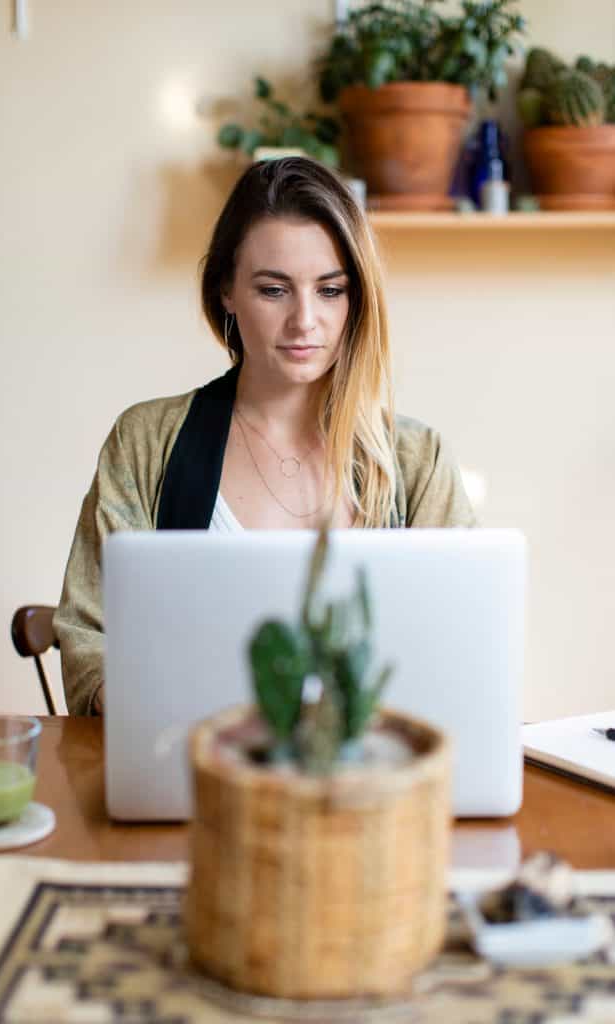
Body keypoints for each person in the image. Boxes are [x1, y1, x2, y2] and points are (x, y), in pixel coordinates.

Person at [54, 157, 476, 715]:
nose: (305, 321)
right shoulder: (145, 441)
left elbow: (464, 643)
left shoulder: (417, 460)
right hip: (194, 769)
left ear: (358, 298)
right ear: (226, 289)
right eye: (274, 290)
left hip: (369, 778)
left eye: (330, 290)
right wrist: (147, 705)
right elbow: (89, 635)